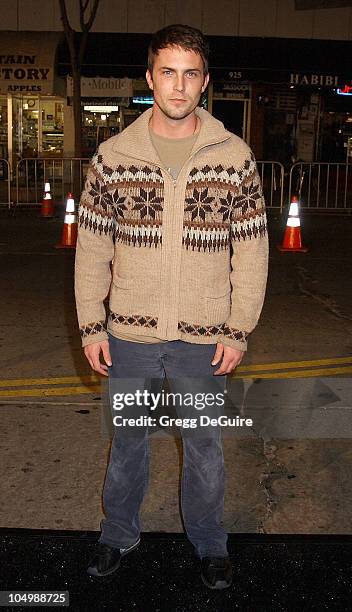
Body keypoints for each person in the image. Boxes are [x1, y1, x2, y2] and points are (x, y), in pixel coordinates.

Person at [74, 24, 268, 590]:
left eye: (190, 74)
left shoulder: (235, 158)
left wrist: (237, 330)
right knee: (127, 443)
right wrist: (91, 324)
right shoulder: (113, 157)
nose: (178, 87)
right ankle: (118, 533)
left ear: (205, 82)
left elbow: (251, 252)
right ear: (150, 77)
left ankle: (210, 542)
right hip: (129, 336)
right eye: (168, 72)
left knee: (205, 448)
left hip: (203, 338)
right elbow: (92, 248)